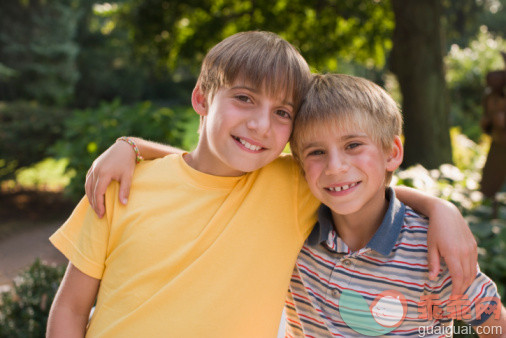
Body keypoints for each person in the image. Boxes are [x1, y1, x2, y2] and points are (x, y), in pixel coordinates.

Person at [49, 31, 476, 337]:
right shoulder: (120, 185)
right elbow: (70, 308)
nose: (259, 124)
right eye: (244, 98)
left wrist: (442, 209)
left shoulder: (289, 183)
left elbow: (356, 182)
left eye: (282, 112)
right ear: (201, 99)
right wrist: (128, 146)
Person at [284, 73, 506, 337]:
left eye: (353, 145)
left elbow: (496, 327)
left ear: (392, 153)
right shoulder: (295, 226)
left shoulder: (433, 252)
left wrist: (440, 209)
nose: (335, 167)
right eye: (316, 152)